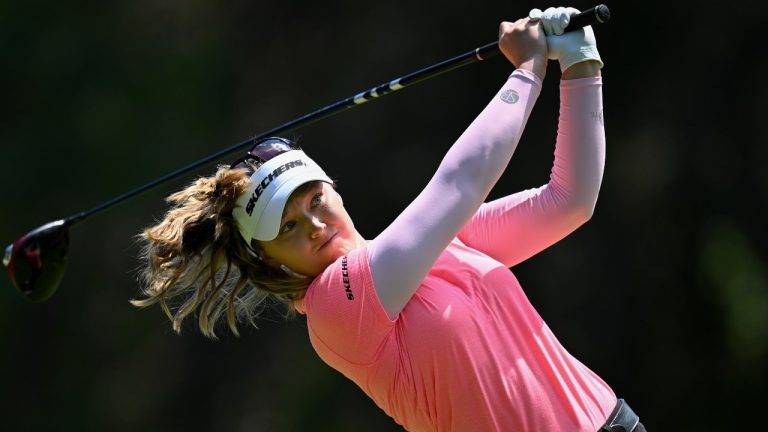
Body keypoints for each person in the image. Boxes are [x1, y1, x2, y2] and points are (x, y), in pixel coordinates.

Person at [132, 6, 645, 432]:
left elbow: (570, 201)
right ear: (267, 257)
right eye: (287, 227)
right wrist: (527, 70)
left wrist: (580, 63)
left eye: (313, 200)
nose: (312, 225)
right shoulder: (335, 310)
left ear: (332, 189)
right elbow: (460, 182)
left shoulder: (446, 241)